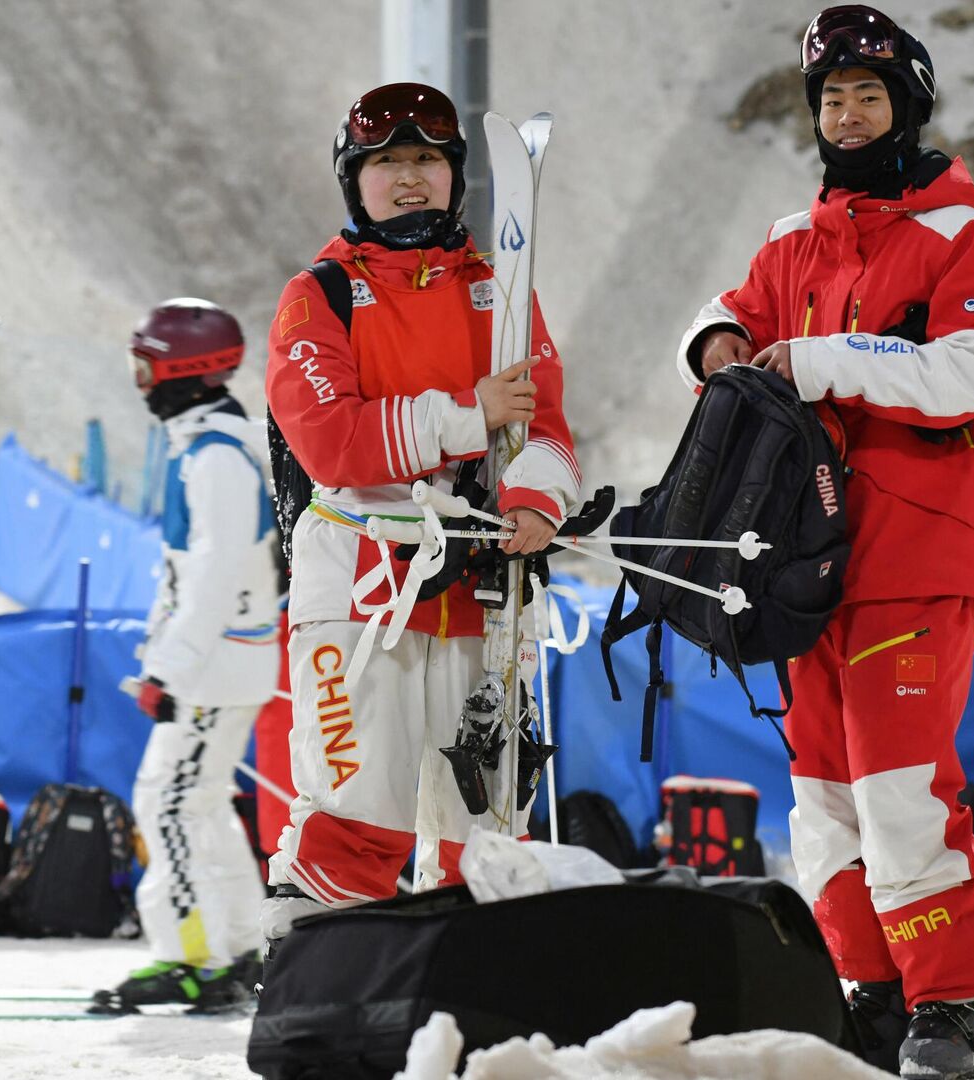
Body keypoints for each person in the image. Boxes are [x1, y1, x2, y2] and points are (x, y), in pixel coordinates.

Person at [674, 7, 974, 1077]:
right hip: (801, 564)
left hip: (914, 554)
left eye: (869, 95)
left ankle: (950, 1003)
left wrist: (825, 359)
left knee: (899, 784)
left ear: (908, 103)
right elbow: (724, 316)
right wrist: (717, 339)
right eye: (832, 98)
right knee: (822, 795)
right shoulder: (793, 239)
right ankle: (874, 992)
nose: (848, 113)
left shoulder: (967, 237)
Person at [263, 83, 581, 934]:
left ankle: (465, 1008)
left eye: (429, 161)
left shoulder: (498, 291)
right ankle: (320, 1006)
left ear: (454, 178)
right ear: (354, 181)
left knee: (481, 832)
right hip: (363, 590)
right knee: (355, 815)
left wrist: (537, 503)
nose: (411, 179)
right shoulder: (319, 295)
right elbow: (330, 441)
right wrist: (468, 415)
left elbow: (546, 426)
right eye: (389, 163)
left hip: (481, 586)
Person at [97, 299, 280, 1012]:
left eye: (148, 366)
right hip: (214, 660)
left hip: (213, 666)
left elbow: (216, 571)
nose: (140, 381)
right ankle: (236, 947)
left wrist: (168, 668)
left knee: (168, 805)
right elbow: (189, 572)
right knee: (197, 806)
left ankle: (191, 954)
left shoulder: (216, 459)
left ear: (186, 371)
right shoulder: (205, 448)